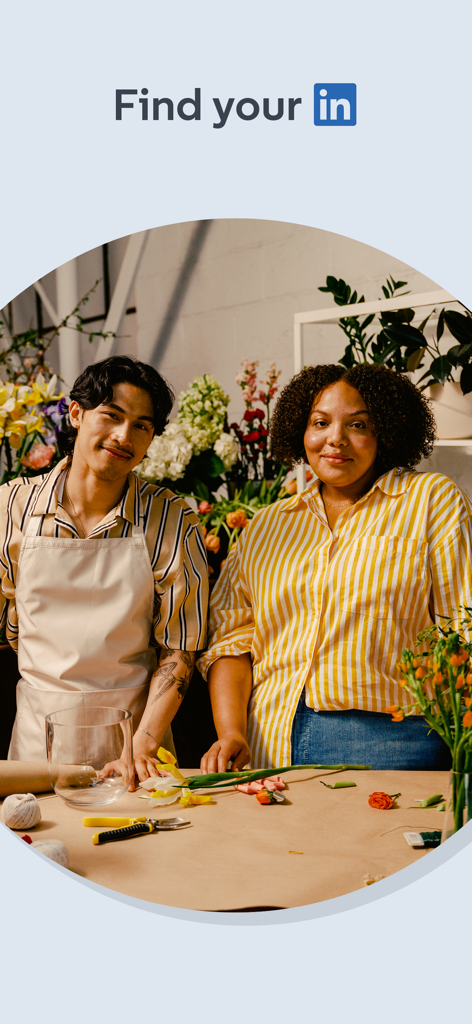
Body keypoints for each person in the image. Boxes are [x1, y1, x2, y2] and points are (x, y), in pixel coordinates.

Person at [198, 363, 472, 772]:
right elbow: (231, 644)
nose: (335, 439)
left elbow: (462, 629)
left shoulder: (431, 501)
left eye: (358, 425)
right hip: (268, 741)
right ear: (300, 430)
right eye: (320, 422)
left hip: (395, 742)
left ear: (387, 432)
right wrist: (232, 732)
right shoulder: (265, 526)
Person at [0, 356, 208, 787]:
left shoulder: (171, 519)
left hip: (136, 747)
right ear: (76, 413)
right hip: (37, 744)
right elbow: (7, 627)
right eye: (111, 416)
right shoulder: (11, 507)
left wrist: (144, 743)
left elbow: (179, 648)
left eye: (141, 426)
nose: (123, 436)